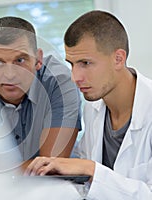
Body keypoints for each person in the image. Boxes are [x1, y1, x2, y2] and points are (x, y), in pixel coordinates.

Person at [24, 10, 152, 199]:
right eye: (72, 64)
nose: (75, 77)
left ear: (118, 58)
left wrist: (90, 168)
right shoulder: (93, 108)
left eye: (85, 63)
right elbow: (88, 186)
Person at [0, 16, 82, 168]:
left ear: (38, 59)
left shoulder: (59, 82)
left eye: (20, 60)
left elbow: (49, 166)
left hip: (53, 188)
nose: (10, 74)